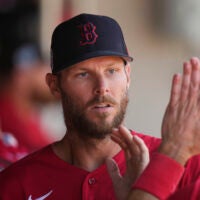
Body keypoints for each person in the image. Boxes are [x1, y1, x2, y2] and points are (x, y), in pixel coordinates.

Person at [0, 13, 200, 200]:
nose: (102, 88)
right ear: (54, 85)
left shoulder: (187, 164)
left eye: (112, 71)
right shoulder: (15, 184)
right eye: (83, 74)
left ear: (128, 76)